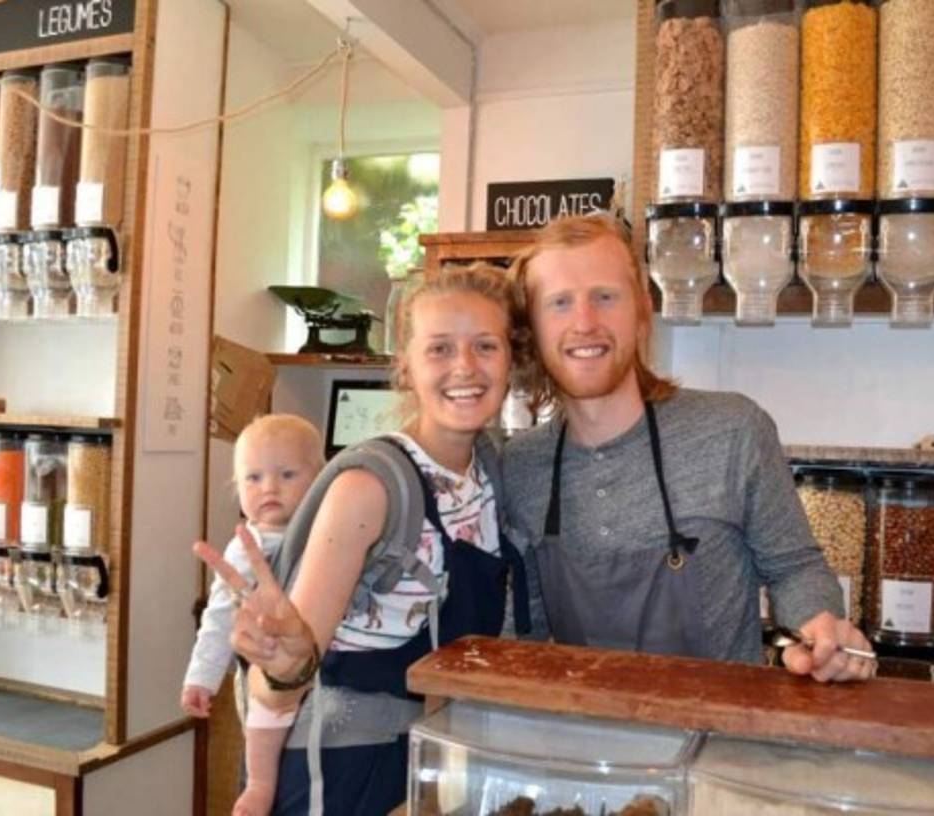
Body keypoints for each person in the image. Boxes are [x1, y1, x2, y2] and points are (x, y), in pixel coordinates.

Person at [194, 263, 531, 815]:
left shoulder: (488, 471)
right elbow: (285, 671)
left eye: (485, 346)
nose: (464, 367)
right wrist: (284, 668)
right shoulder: (371, 487)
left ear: (511, 359)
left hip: (427, 755)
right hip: (343, 769)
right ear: (406, 367)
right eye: (440, 349)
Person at [503, 213, 873, 683]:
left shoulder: (732, 430)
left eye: (605, 297)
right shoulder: (521, 465)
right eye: (559, 303)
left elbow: (795, 568)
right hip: (588, 741)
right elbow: (524, 626)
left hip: (718, 741)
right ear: (532, 329)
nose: (585, 322)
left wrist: (818, 628)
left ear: (640, 310)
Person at [181, 413, 325, 816]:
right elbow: (218, 617)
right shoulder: (247, 547)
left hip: (318, 670)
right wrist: (201, 677)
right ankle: (261, 785)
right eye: (254, 478)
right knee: (267, 715)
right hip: (269, 663)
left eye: (287, 474)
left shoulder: (326, 529)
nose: (270, 488)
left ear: (321, 479)